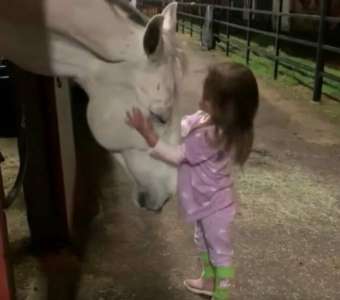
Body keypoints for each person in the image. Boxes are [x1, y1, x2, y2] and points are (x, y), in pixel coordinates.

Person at [125, 62, 259, 300]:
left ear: (225, 109)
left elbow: (177, 155)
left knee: (220, 251)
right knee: (202, 240)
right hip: (204, 201)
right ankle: (208, 282)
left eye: (207, 98)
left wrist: (149, 135)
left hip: (214, 206)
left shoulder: (211, 137)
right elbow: (186, 123)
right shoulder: (211, 121)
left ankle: (222, 294)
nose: (201, 100)